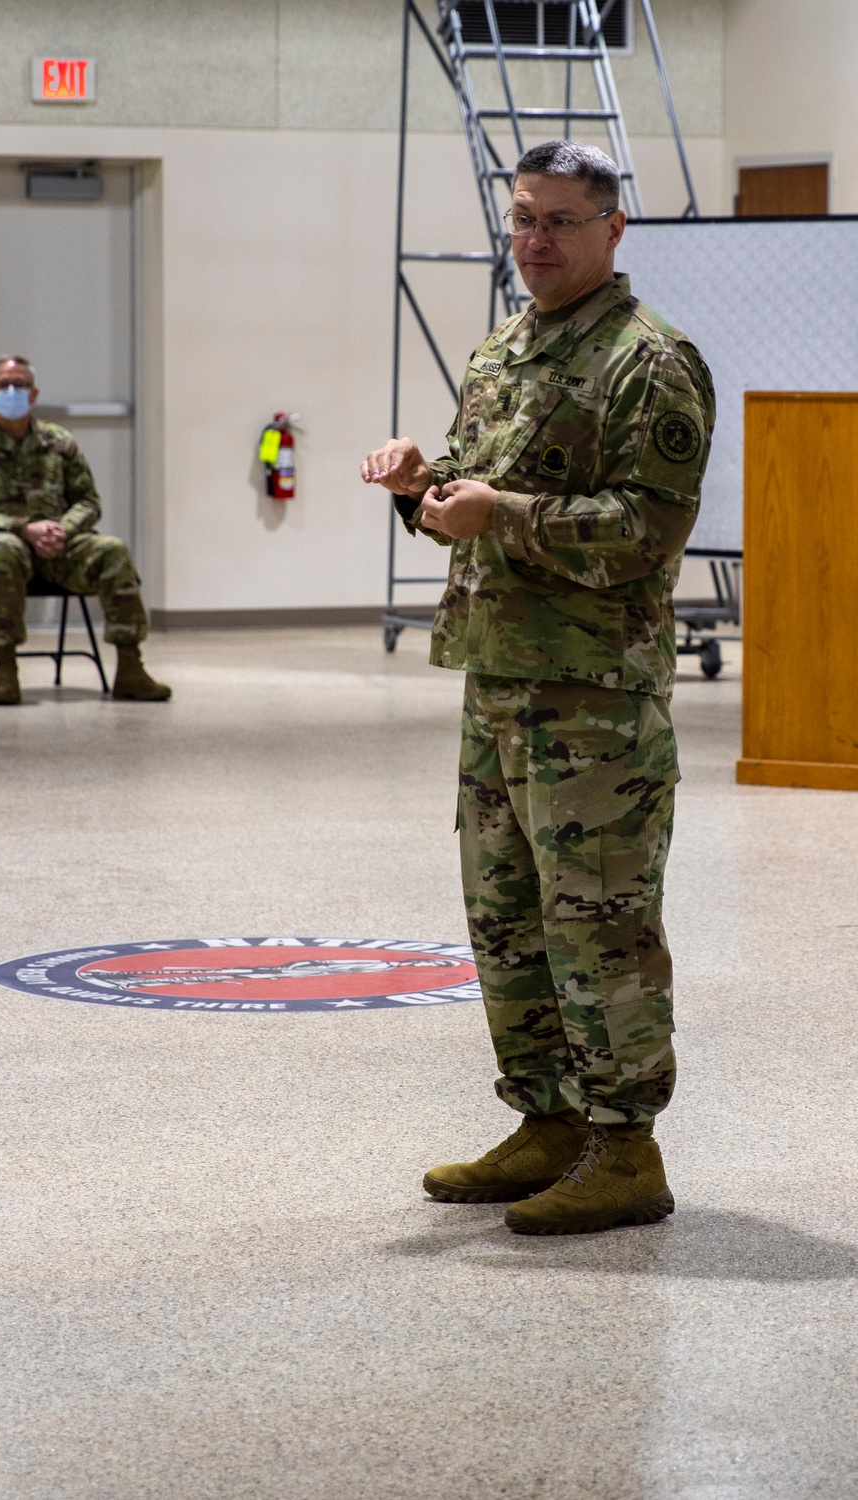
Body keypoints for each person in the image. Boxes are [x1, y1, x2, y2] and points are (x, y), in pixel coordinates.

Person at [361, 141, 715, 1235]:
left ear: (613, 230)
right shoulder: (506, 350)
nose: (536, 241)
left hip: (592, 700)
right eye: (521, 219)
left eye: (559, 221)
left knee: (598, 922)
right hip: (501, 680)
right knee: (509, 921)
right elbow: (473, 499)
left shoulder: (647, 363)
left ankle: (625, 1148)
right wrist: (419, 488)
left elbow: (645, 535)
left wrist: (498, 514)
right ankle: (550, 1122)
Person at [0, 356, 170, 706]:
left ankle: (130, 669)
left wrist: (62, 530)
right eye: (4, 385)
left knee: (113, 550)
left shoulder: (59, 441)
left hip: (60, 549)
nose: (11, 391)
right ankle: (5, 673)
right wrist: (25, 529)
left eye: (19, 384)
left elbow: (89, 502)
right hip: (5, 549)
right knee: (2, 549)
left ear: (33, 394)